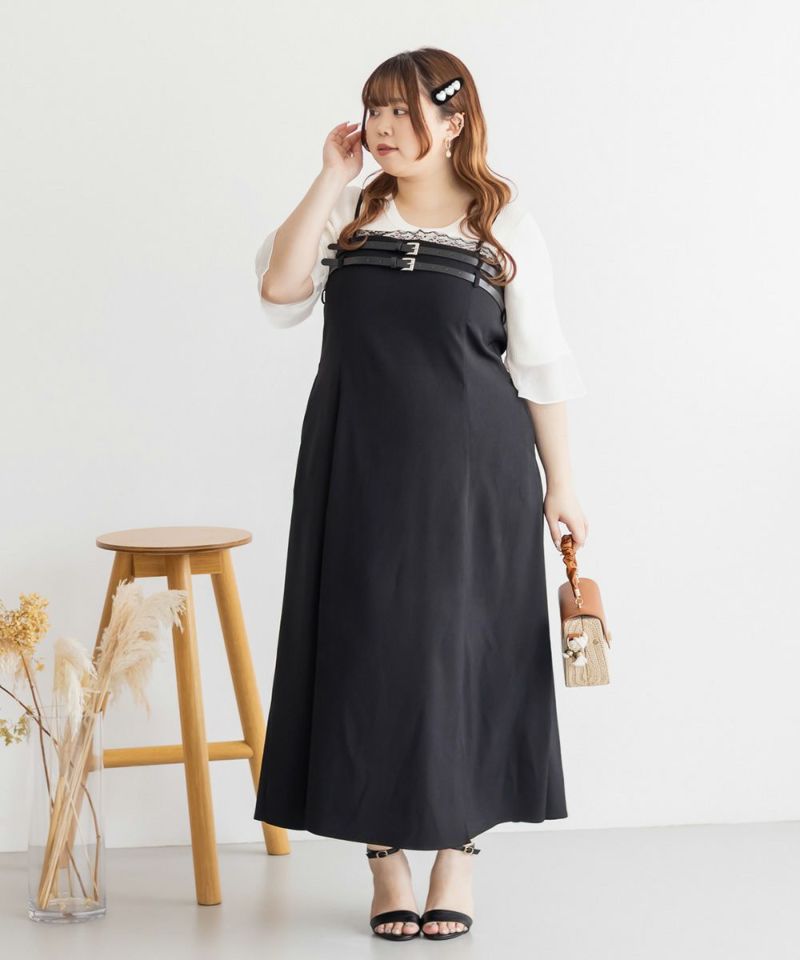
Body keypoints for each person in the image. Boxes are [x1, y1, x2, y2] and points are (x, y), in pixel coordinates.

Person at [252, 47, 589, 942]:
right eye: (374, 109)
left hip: (473, 476)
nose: (383, 127)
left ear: (454, 120)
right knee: (367, 651)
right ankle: (385, 860)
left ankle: (455, 856)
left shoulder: (501, 223)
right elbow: (279, 289)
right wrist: (331, 177)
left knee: (457, 656)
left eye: (403, 111)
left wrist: (562, 484)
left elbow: (539, 365)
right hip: (356, 468)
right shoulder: (353, 213)